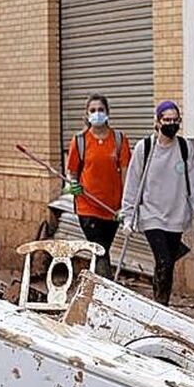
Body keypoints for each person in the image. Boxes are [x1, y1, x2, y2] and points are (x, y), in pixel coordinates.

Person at [121, 101, 194, 306]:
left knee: (167, 263)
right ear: (157, 121)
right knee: (164, 259)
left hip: (177, 215)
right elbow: (133, 184)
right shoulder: (144, 149)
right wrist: (128, 216)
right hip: (151, 215)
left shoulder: (184, 148)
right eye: (166, 120)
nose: (171, 124)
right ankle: (161, 304)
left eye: (174, 120)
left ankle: (160, 300)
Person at [64, 93, 131, 278]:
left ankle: (95, 285)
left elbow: (126, 174)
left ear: (108, 112)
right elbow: (73, 173)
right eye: (93, 110)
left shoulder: (119, 140)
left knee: (103, 249)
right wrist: (73, 185)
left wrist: (126, 204)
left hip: (112, 208)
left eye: (101, 110)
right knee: (100, 249)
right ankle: (105, 286)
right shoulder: (80, 141)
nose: (97, 113)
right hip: (87, 206)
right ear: (86, 114)